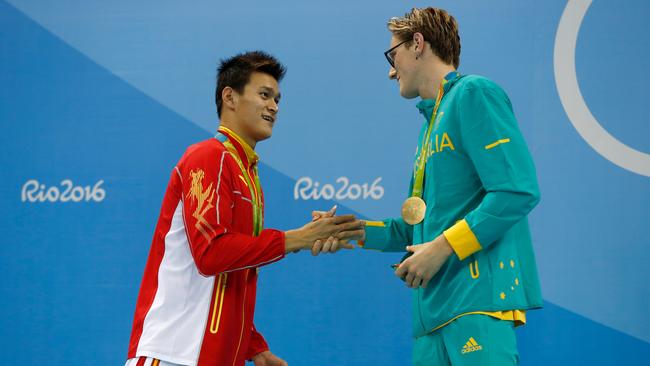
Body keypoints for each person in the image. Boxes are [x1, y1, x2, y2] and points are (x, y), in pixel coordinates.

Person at [124, 51, 364, 366]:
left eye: (278, 99)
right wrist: (296, 239)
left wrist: (253, 348)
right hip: (172, 354)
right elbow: (211, 255)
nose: (274, 106)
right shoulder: (208, 156)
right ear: (230, 97)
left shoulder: (246, 173)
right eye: (264, 95)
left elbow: (229, 274)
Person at [358, 7, 542, 365]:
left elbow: (517, 190)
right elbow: (419, 228)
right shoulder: (430, 123)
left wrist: (442, 249)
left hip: (476, 302)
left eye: (392, 54)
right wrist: (353, 232)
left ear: (417, 43)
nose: (390, 69)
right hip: (431, 315)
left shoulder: (474, 93)